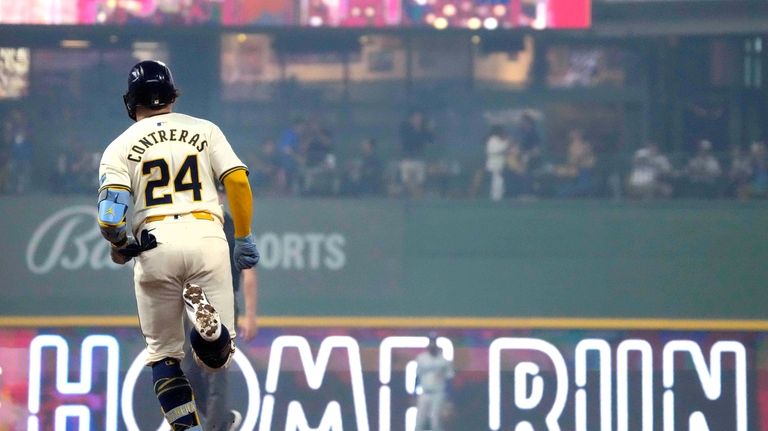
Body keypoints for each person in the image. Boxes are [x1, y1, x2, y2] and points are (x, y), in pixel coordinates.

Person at [97, 60, 259, 431]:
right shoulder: (205, 130)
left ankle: (188, 428)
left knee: (164, 357)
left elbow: (110, 215)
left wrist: (119, 243)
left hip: (155, 245)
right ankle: (210, 331)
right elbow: (236, 180)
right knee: (217, 359)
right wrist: (244, 235)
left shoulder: (118, 147)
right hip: (207, 236)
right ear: (172, 95)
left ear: (130, 102)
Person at [181, 184, 259, 431]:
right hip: (195, 301)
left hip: (223, 301)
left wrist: (250, 315)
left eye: (219, 193)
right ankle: (222, 420)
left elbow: (248, 273)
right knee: (189, 371)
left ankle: (214, 428)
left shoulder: (236, 229)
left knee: (215, 372)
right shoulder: (192, 226)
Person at [414, 333, 454, 431]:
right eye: (430, 342)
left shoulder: (444, 360)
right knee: (419, 421)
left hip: (438, 393)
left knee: (435, 421)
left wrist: (449, 398)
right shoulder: (421, 358)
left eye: (434, 342)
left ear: (437, 344)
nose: (432, 344)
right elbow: (418, 376)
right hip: (424, 393)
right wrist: (414, 394)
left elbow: (449, 379)